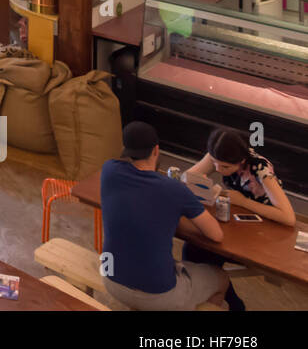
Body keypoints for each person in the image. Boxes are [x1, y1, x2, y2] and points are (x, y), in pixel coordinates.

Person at [100, 121, 230, 310]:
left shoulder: (109, 171)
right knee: (221, 278)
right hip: (159, 295)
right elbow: (216, 235)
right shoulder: (174, 189)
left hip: (111, 280)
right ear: (156, 150)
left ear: (125, 149)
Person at [180, 127, 297, 310]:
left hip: (262, 232)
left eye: (225, 167)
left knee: (203, 253)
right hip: (234, 223)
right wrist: (200, 183)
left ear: (241, 161)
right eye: (215, 163)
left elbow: (288, 217)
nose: (218, 169)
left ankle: (232, 303)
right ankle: (226, 301)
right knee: (194, 248)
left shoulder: (260, 168)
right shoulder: (218, 154)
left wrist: (243, 201)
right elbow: (186, 179)